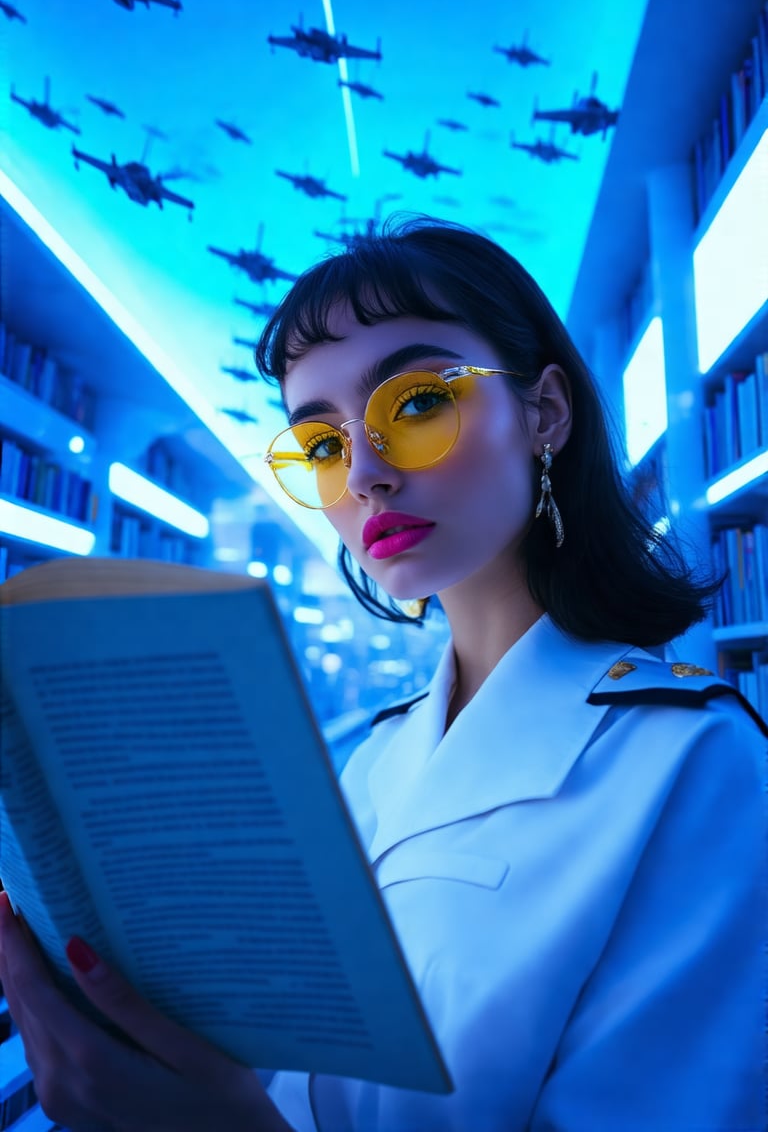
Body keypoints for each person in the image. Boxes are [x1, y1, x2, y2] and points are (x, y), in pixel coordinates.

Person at [0, 217, 764, 1131]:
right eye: (320, 444)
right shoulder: (375, 761)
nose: (363, 473)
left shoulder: (699, 762)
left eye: (413, 404)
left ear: (544, 413)